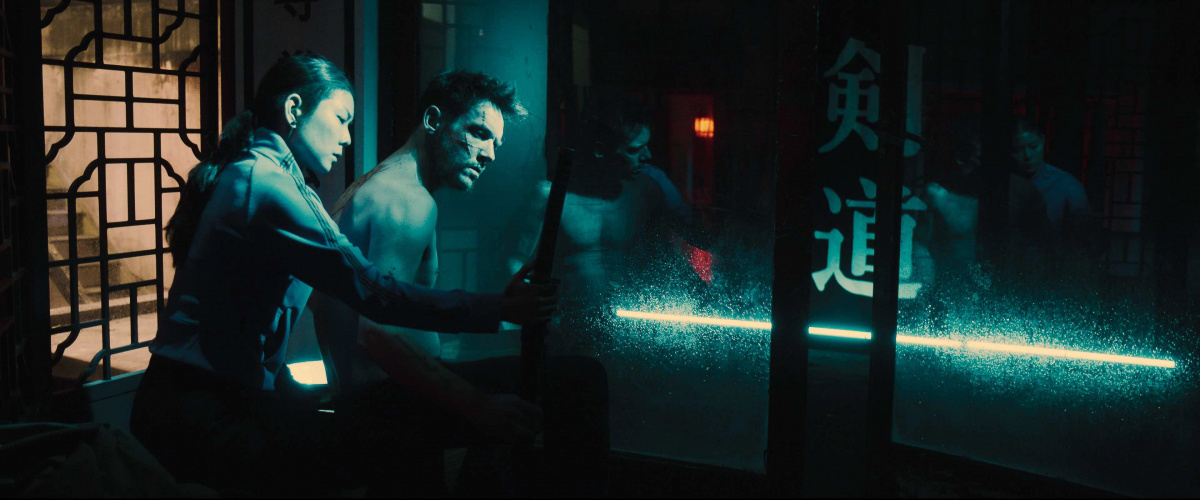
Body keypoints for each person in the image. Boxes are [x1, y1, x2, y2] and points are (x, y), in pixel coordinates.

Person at [128, 54, 556, 496]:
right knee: (558, 387)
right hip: (201, 409)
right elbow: (372, 292)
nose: (348, 137)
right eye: (340, 119)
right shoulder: (269, 186)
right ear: (295, 109)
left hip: (210, 401)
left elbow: (265, 314)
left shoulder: (268, 179)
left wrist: (287, 390)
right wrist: (498, 312)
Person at [308, 69, 610, 497]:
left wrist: (498, 310)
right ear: (433, 120)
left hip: (378, 397)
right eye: (479, 133)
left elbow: (395, 307)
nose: (489, 154)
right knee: (580, 381)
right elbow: (376, 336)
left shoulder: (378, 186)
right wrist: (480, 406)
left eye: (496, 144)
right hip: (385, 405)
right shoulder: (407, 203)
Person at [503, 91, 698, 320]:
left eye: (646, 146)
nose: (647, 155)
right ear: (601, 149)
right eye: (633, 150)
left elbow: (664, 256)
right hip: (564, 322)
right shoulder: (549, 195)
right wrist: (530, 313)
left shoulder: (647, 192)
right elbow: (515, 261)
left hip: (625, 322)